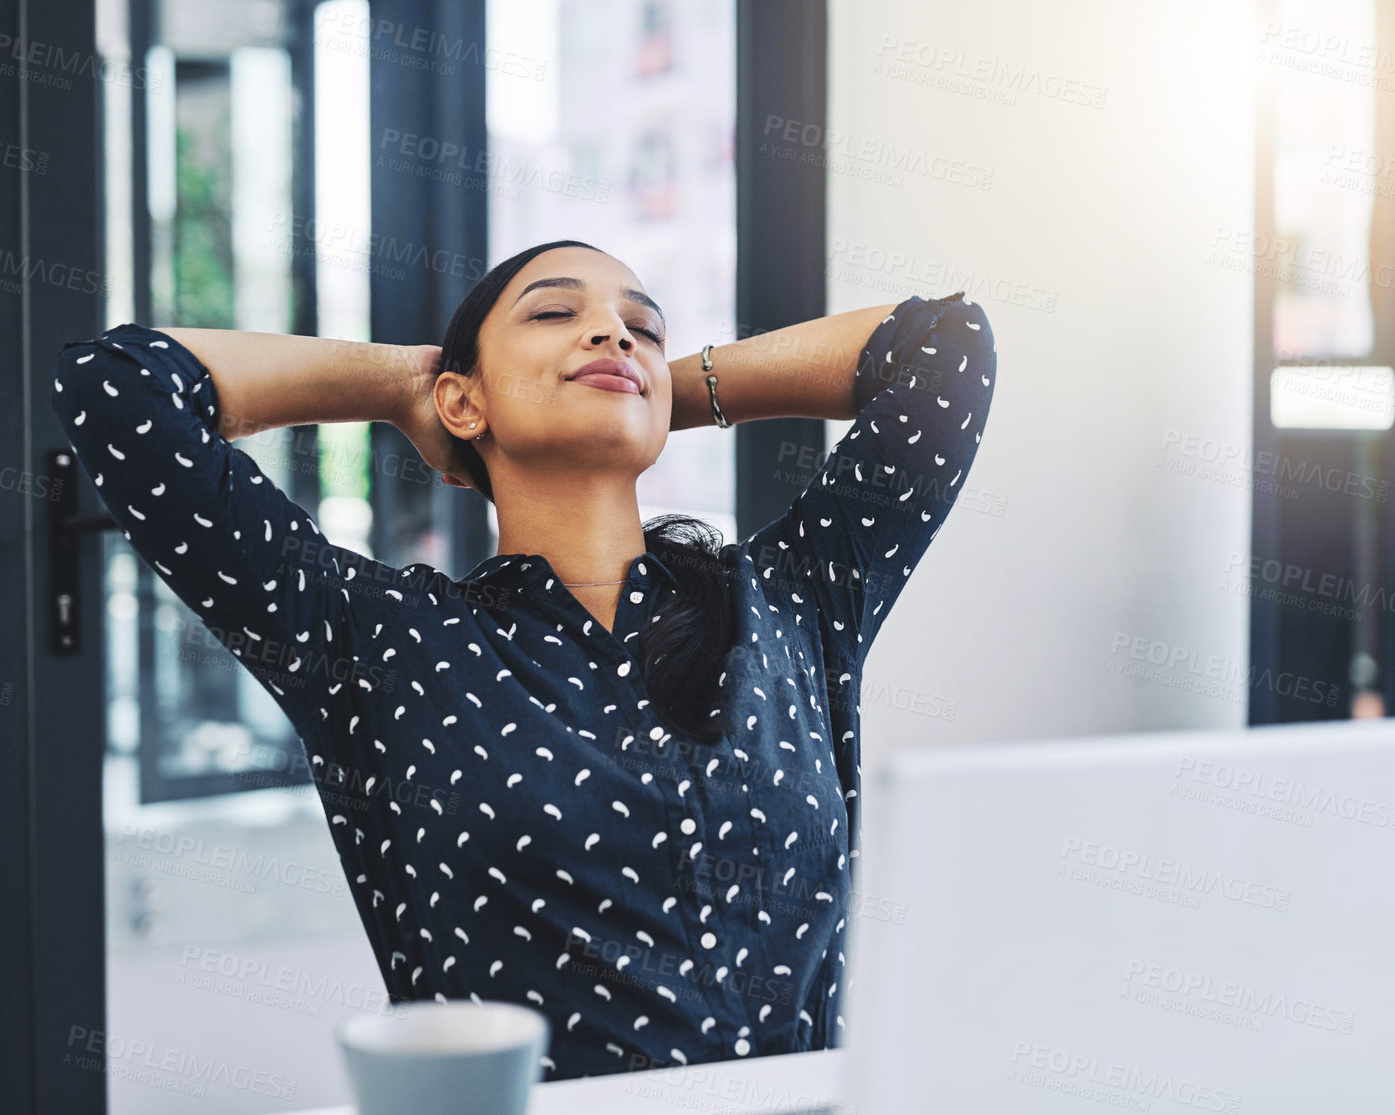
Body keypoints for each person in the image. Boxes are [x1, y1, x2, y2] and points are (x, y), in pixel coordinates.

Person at [51, 239, 997, 1080]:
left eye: (643, 330)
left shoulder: (792, 602)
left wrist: (679, 393)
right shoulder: (373, 641)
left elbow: (946, 347)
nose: (613, 337)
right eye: (555, 313)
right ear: (462, 399)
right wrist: (402, 386)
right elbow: (119, 383)